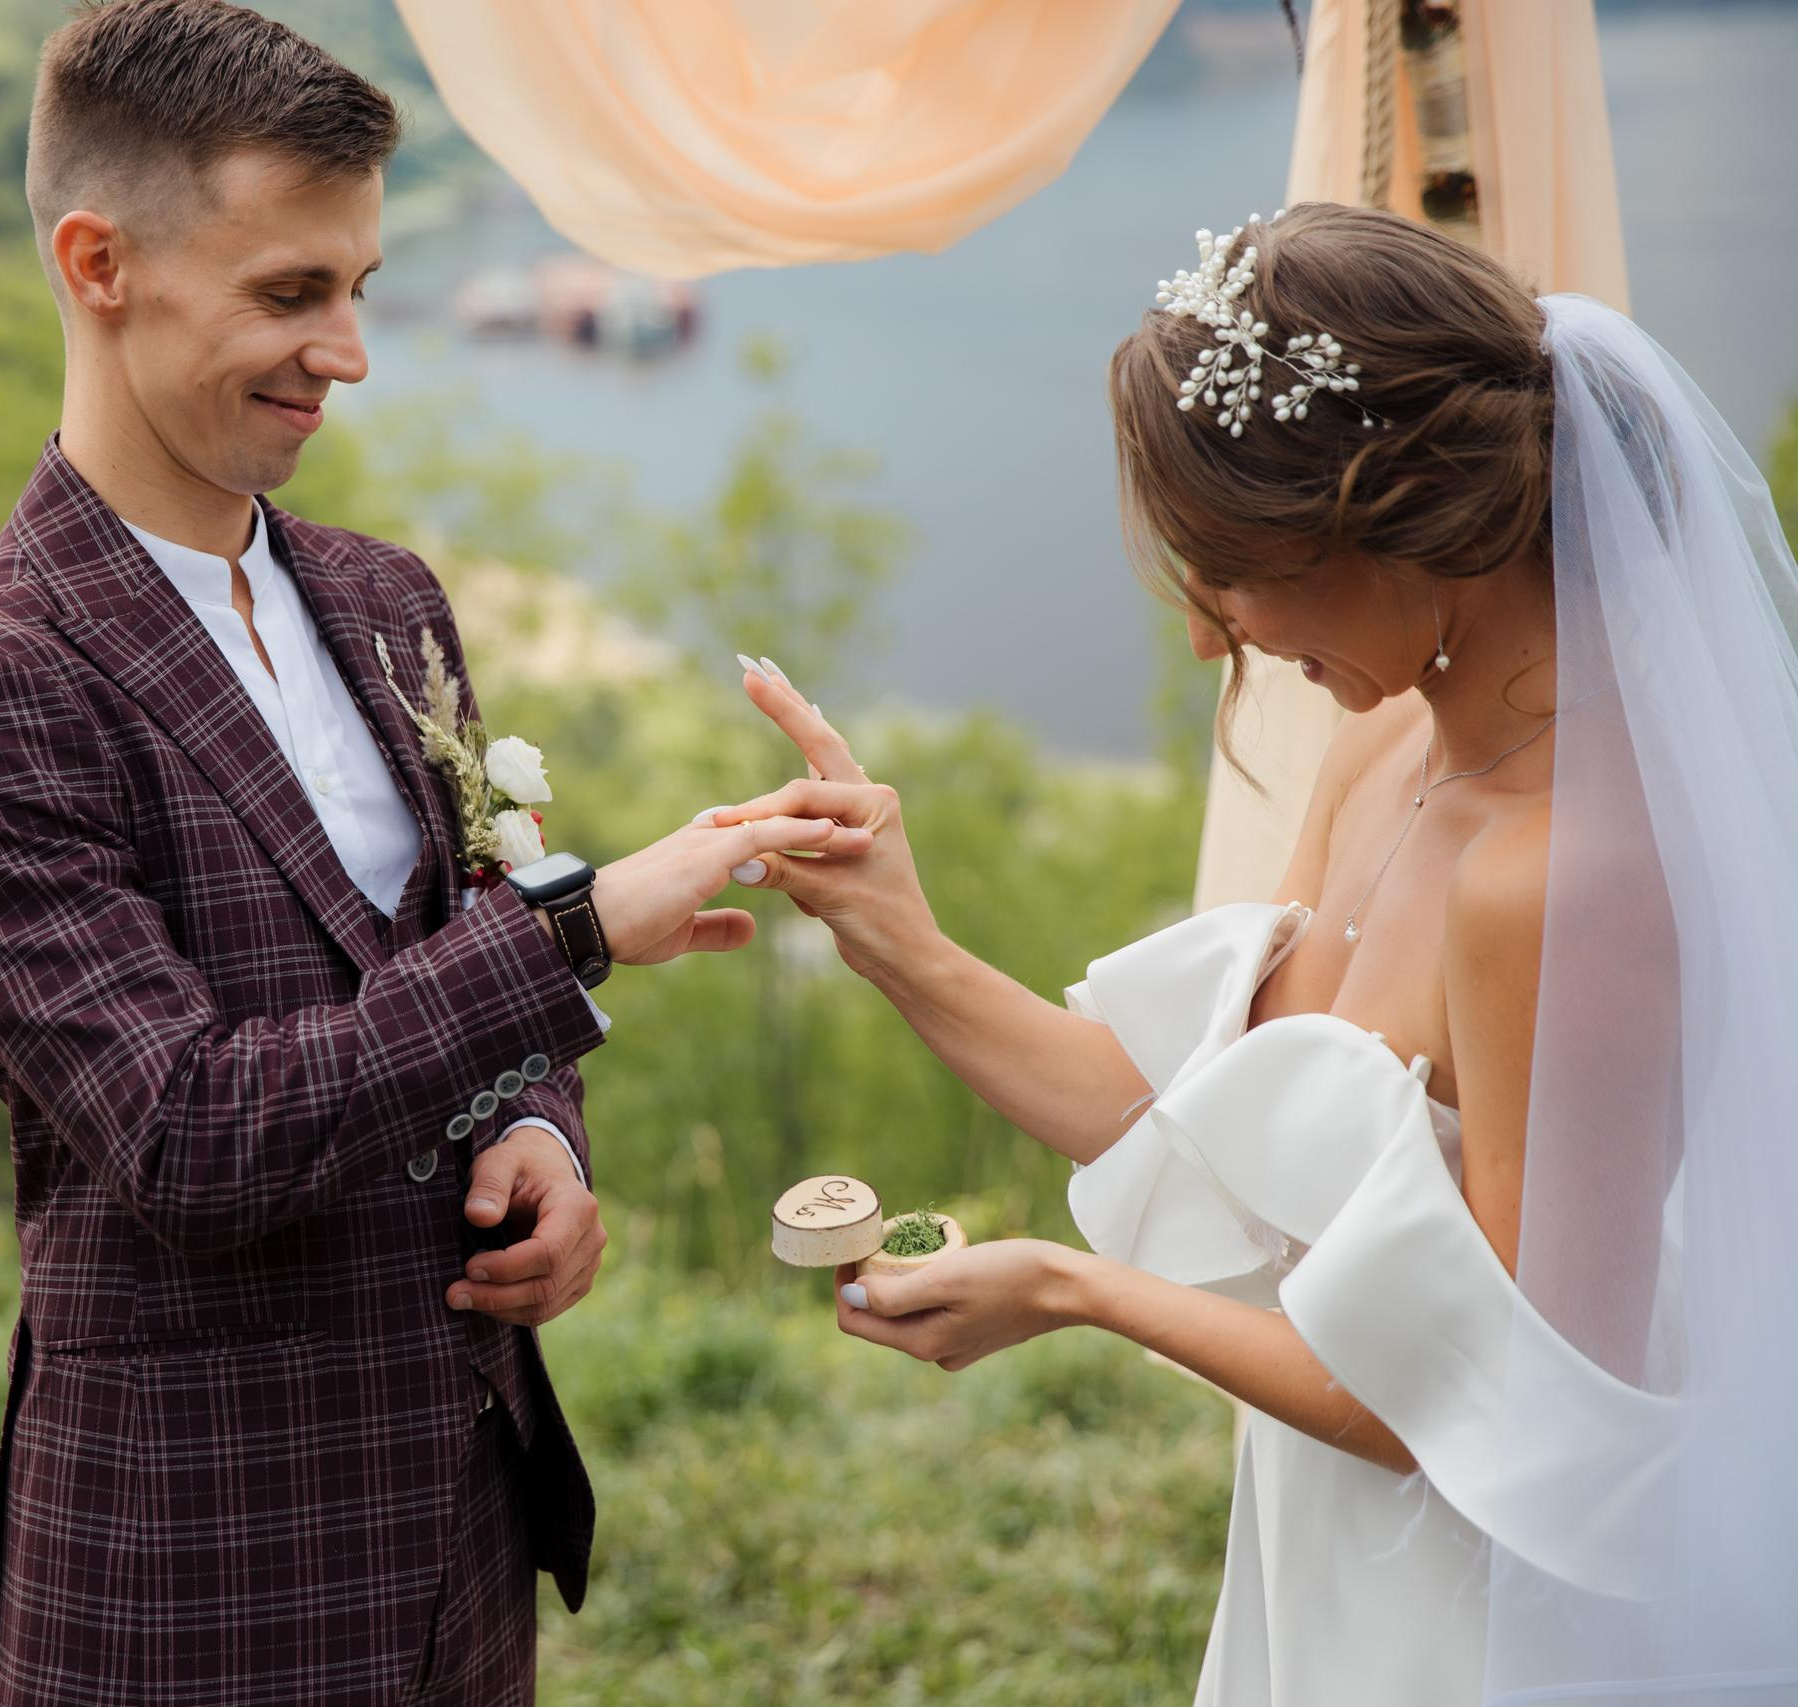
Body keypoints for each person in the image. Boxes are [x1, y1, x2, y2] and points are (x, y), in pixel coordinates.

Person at [0, 3, 857, 1703]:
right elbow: (190, 1139)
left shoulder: (390, 601)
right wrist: (575, 929)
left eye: (360, 289)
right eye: (288, 294)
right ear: (99, 262)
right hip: (196, 1578)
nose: (350, 351)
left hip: (461, 1532)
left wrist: (544, 1132)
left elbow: (450, 978)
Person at [712, 202, 1798, 1702]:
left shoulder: (1571, 880)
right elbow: (1207, 1126)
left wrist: (1073, 1291)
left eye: (1230, 568)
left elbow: (1491, 1397)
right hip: (1327, 1533)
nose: (1209, 636)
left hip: (1494, 1607)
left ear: (1397, 520)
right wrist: (895, 933)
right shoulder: (1382, 757)